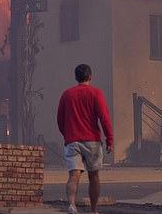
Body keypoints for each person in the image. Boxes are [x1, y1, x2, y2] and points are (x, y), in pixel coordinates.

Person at [57, 64, 114, 214]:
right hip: (92, 141)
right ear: (90, 76)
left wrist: (67, 134)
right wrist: (110, 139)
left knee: (73, 175)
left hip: (72, 141)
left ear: (76, 77)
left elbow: (60, 119)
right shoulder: (96, 93)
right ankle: (93, 210)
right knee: (94, 175)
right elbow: (104, 118)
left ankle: (71, 205)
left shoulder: (66, 95)